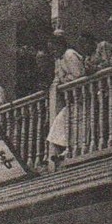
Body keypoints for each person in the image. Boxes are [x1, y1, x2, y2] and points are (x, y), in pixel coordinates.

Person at [45, 32, 88, 164]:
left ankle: (74, 148)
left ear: (60, 45)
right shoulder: (59, 60)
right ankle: (65, 149)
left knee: (77, 122)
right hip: (73, 99)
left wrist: (64, 79)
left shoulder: (69, 54)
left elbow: (78, 75)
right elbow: (57, 78)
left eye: (53, 48)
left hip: (83, 97)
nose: (52, 52)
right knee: (61, 120)